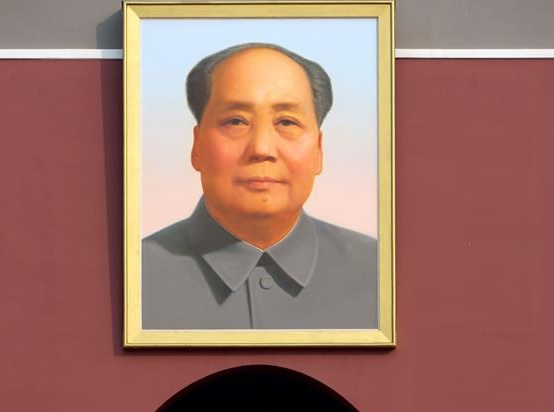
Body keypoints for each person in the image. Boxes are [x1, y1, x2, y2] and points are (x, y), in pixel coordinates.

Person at [141, 42, 378, 331]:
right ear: (197, 146)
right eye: (236, 121)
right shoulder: (133, 276)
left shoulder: (380, 271)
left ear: (318, 150)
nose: (262, 148)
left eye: (286, 122)